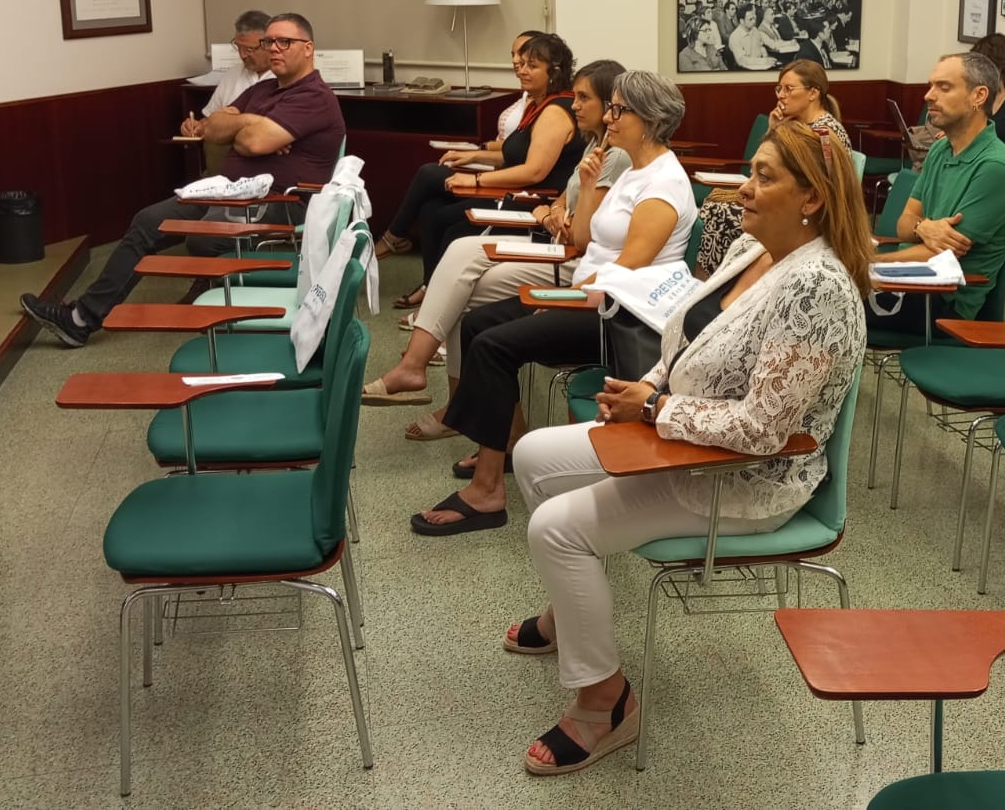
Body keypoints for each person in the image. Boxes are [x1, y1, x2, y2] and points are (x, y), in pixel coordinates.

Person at [504, 120, 870, 775]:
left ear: (811, 198)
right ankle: (571, 611)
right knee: (532, 455)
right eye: (750, 171)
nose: (743, 188)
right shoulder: (751, 249)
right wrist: (647, 387)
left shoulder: (816, 287)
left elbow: (763, 431)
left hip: (747, 478)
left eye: (764, 177)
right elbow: (683, 345)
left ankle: (605, 702)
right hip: (684, 440)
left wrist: (655, 410)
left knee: (556, 529)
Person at [409, 70, 695, 537]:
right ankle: (503, 443)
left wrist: (567, 302)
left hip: (618, 316)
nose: (608, 117)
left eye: (618, 109)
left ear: (648, 119)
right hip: (590, 296)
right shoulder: (631, 169)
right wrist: (589, 186)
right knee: (476, 323)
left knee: (494, 346)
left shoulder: (664, 184)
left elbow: (628, 269)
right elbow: (582, 239)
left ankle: (486, 491)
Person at [20, 12, 343, 348]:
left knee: (202, 238)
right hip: (227, 190)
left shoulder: (314, 97)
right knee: (148, 221)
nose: (273, 48)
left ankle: (217, 296)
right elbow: (212, 128)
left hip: (278, 202)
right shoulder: (263, 89)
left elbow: (253, 143)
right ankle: (81, 319)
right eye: (269, 41)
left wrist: (247, 130)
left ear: (308, 48)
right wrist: (252, 123)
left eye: (284, 42)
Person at [361, 60, 632, 438]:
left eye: (584, 98)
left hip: (578, 265)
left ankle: (432, 383)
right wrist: (551, 211)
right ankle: (433, 384)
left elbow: (583, 232)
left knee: (465, 276)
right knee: (461, 256)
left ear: (608, 105)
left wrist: (556, 215)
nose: (575, 105)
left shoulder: (615, 156)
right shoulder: (594, 144)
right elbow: (562, 201)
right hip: (560, 247)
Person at [382, 34, 587, 309]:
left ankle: (434, 293)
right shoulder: (538, 105)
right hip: (518, 191)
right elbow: (515, 154)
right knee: (431, 209)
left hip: (533, 200)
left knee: (443, 212)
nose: (521, 70)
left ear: (555, 72)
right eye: (521, 63)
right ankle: (432, 290)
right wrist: (475, 155)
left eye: (532, 66)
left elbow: (533, 172)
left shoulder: (554, 112)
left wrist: (476, 178)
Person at [874, 51, 1005, 329]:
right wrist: (922, 227)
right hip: (906, 282)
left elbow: (943, 256)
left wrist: (870, 265)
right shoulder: (940, 149)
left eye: (943, 87)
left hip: (942, 302)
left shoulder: (996, 167)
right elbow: (903, 226)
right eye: (931, 86)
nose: (928, 96)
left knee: (819, 300)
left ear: (978, 96)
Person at [375, 29, 544, 260]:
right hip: (497, 169)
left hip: (506, 182)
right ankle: (424, 276)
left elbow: (522, 159)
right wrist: (476, 152)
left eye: (526, 60)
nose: (517, 62)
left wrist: (477, 157)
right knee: (430, 206)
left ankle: (392, 237)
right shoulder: (527, 98)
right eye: (514, 55)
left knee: (429, 174)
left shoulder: (546, 109)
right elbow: (510, 147)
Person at [695, 60, 850, 275]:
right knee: (715, 203)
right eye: (779, 89)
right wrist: (774, 130)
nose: (781, 96)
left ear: (813, 93)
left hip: (809, 212)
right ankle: (721, 279)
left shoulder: (824, 133)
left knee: (719, 213)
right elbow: (766, 166)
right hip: (789, 200)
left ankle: (713, 280)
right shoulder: (797, 126)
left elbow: (809, 183)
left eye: (789, 89)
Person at [181, 10, 274, 175]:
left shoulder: (285, 76)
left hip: (264, 169)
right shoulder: (233, 74)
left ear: (269, 45)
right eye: (238, 47)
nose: (242, 55)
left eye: (249, 49)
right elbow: (209, 119)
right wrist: (196, 126)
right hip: (221, 175)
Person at [727, 5, 775, 71]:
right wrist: (763, 61)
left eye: (754, 18)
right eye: (750, 19)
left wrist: (766, 57)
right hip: (745, 70)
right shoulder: (735, 37)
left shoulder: (754, 30)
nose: (754, 22)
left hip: (761, 66)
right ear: (741, 21)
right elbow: (742, 61)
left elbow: (761, 46)